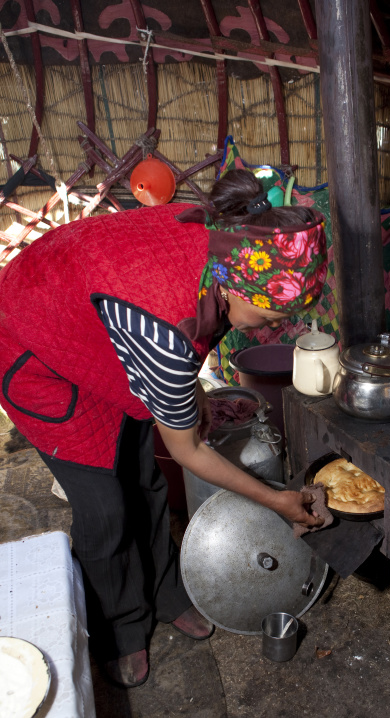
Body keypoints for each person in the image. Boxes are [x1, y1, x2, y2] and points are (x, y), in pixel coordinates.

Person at [0, 168, 328, 687]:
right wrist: (277, 499)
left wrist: (185, 395)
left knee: (145, 479)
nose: (269, 329)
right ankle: (121, 629)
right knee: (105, 508)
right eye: (267, 318)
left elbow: (172, 360)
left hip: (100, 333)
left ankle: (166, 593)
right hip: (37, 346)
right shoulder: (165, 330)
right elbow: (191, 451)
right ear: (234, 282)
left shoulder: (230, 241)